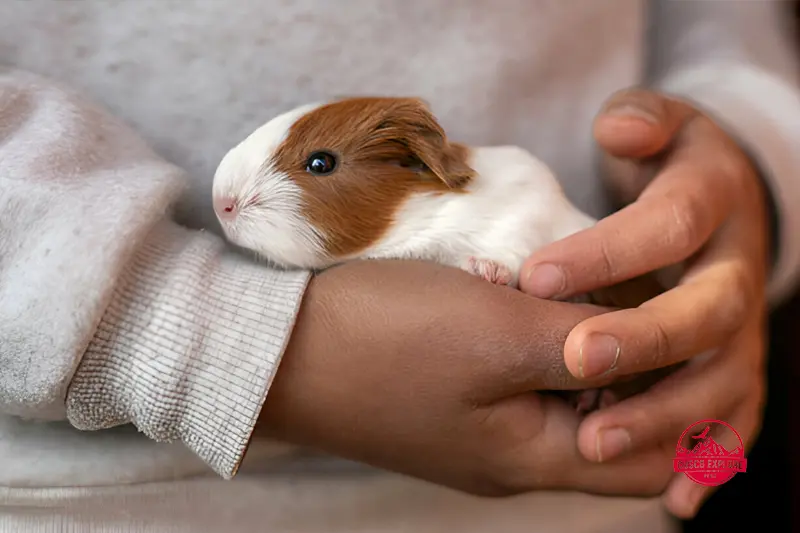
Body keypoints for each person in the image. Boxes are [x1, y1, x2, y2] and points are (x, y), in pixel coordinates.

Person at [0, 1, 798, 531]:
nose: (231, 202)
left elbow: (721, 18)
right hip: (103, 499)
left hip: (584, 498)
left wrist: (748, 150)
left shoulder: (498, 194)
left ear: (419, 165)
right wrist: (222, 340)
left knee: (710, 454)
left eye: (314, 165)